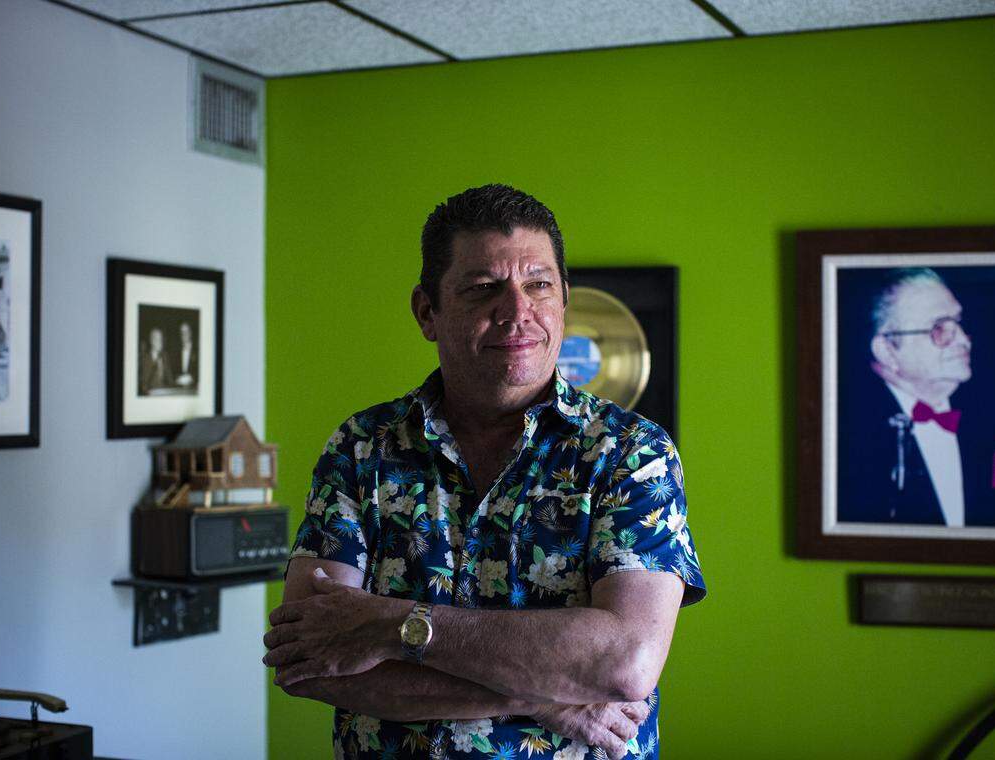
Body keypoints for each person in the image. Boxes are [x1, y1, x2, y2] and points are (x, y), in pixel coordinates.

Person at [263, 184, 706, 759]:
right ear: (428, 311)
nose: (518, 311)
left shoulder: (630, 453)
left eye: (538, 284)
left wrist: (390, 626)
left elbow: (624, 662)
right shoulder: (362, 447)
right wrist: (550, 699)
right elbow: (310, 662)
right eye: (483, 289)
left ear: (564, 299)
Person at [837, 267, 995, 528]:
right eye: (939, 328)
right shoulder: (844, 434)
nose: (965, 341)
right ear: (887, 351)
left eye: (960, 324)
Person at [138, 326, 171, 395]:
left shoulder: (165, 356)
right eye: (157, 339)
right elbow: (143, 384)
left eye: (161, 339)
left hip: (166, 394)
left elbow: (170, 379)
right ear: (151, 341)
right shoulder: (144, 359)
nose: (160, 342)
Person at [174, 320, 198, 391]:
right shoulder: (176, 353)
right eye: (182, 332)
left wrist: (193, 378)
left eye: (186, 331)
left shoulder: (198, 350)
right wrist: (177, 379)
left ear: (190, 333)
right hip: (180, 390)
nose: (184, 334)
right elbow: (173, 372)